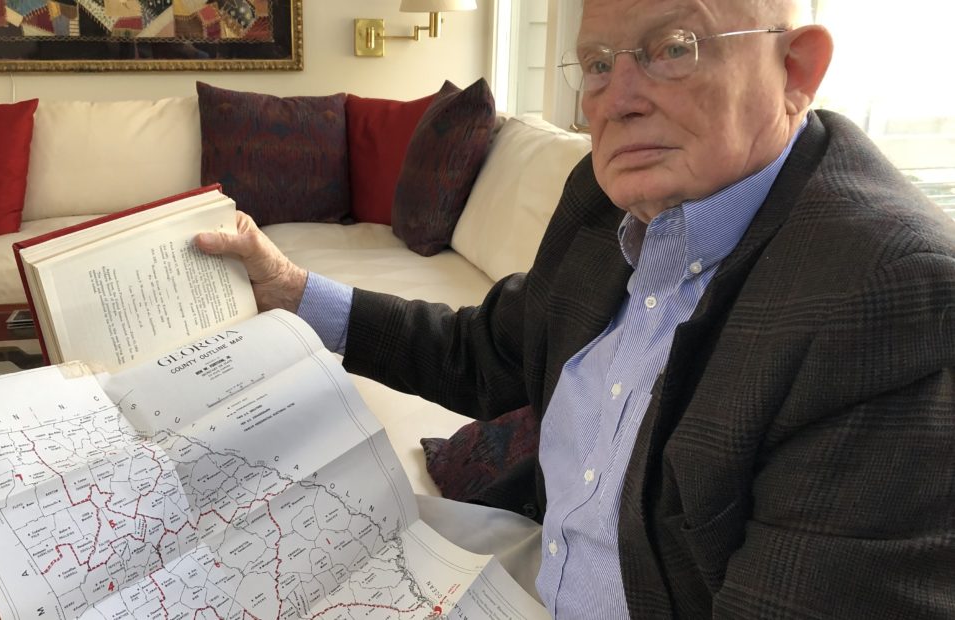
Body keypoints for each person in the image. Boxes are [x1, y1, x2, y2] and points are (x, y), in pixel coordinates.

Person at [195, 0, 955, 616]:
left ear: (797, 70)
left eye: (673, 47)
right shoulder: (604, 200)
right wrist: (293, 292)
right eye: (597, 64)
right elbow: (487, 354)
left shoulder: (893, 297)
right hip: (522, 564)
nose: (616, 101)